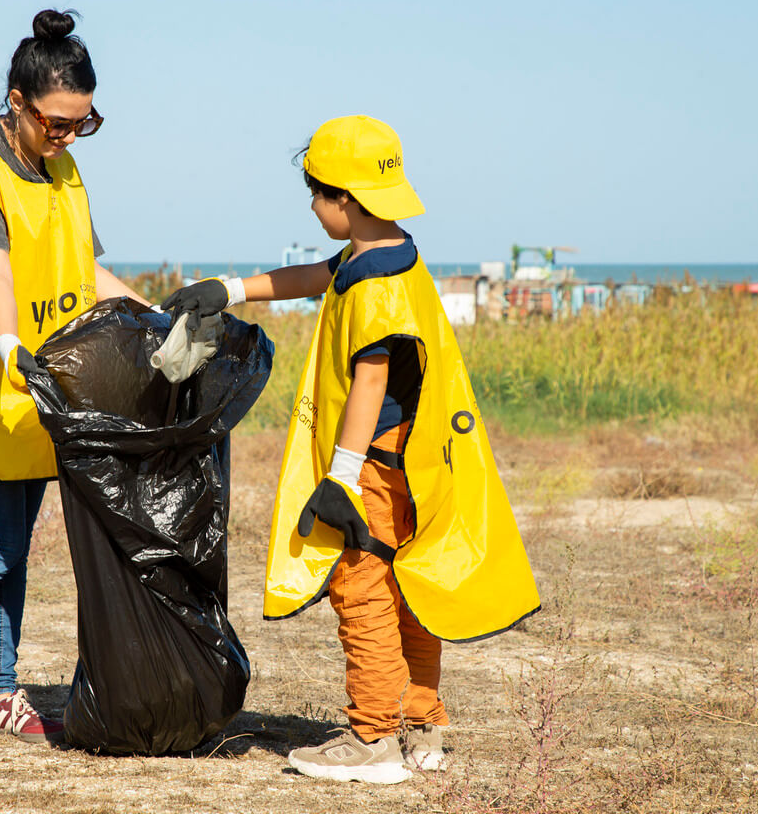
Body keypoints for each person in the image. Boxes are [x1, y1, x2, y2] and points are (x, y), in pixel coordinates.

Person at [163, 116, 541, 783]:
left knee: (360, 588)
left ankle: (372, 738)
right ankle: (423, 724)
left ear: (348, 198)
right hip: (413, 458)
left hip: (371, 463)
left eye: (316, 192)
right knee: (409, 588)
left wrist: (340, 476)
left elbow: (368, 379)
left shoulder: (371, 285)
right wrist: (229, 290)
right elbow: (316, 275)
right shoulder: (391, 252)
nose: (312, 205)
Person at [0, 9, 153, 745]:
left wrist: (159, 317)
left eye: (84, 123)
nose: (69, 137)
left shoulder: (63, 169)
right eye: (57, 122)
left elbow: (87, 270)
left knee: (16, 536)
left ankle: (0, 693)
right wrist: (11, 347)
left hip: (38, 373)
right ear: (17, 101)